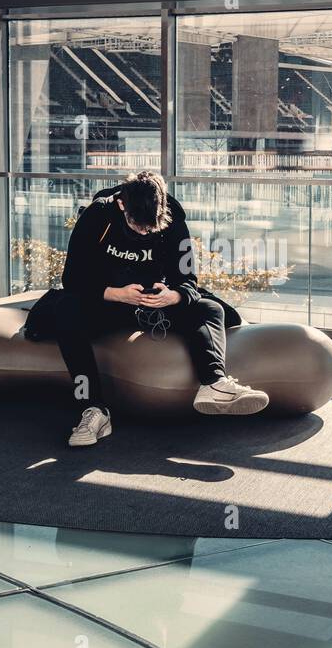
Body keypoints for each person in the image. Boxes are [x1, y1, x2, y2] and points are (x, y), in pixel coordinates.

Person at [26, 171, 269, 446]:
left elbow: (188, 279)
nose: (143, 231)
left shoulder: (173, 217)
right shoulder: (98, 215)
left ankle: (214, 384)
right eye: (136, 224)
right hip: (107, 301)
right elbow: (72, 278)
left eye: (150, 227)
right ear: (122, 205)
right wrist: (115, 294)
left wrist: (174, 296)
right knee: (67, 311)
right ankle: (93, 410)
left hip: (154, 303)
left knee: (210, 309)